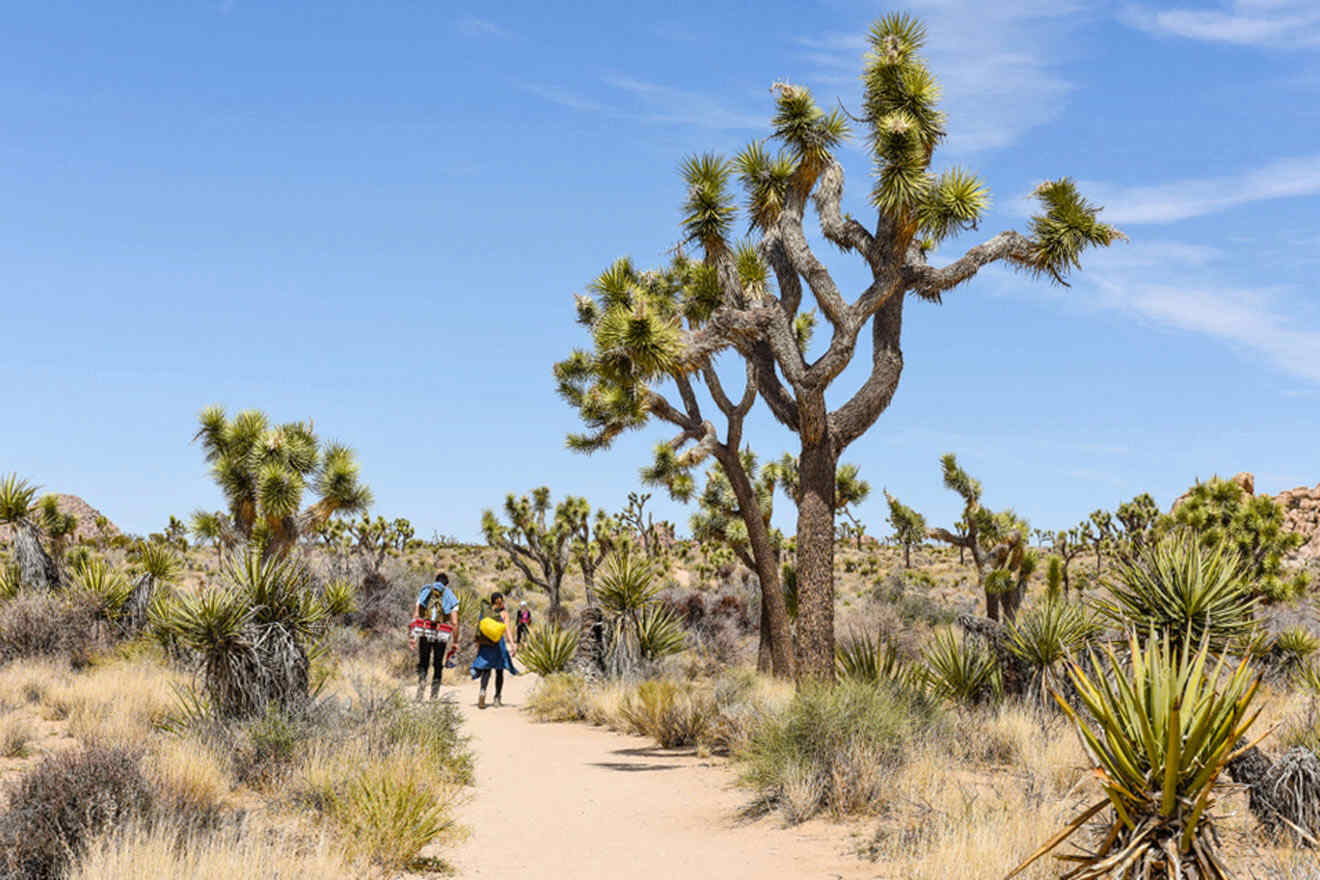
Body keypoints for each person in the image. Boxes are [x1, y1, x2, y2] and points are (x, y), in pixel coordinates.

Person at [412, 572, 459, 701]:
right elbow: (454, 622)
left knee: (424, 661)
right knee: (438, 663)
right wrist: (455, 641)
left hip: (425, 630)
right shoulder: (450, 595)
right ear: (447, 584)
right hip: (441, 633)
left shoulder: (426, 590)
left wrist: (413, 634)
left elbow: (416, 613)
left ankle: (420, 691)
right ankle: (434, 695)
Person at [470, 591, 518, 709]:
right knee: (499, 671)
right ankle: (497, 697)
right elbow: (507, 630)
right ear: (501, 601)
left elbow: (479, 629)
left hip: (486, 644)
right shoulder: (504, 613)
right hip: (498, 644)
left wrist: (478, 646)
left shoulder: (486, 612)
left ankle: (482, 691)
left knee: (486, 670)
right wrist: (512, 644)